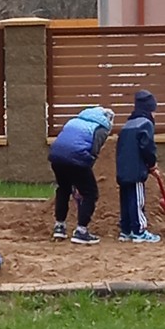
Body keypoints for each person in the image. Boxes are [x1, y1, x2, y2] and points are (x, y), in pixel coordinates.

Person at [48, 105, 114, 245]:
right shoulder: (101, 128)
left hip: (56, 156)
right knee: (90, 193)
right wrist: (83, 176)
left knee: (63, 189)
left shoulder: (73, 121)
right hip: (77, 157)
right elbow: (94, 151)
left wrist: (76, 181)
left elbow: (64, 140)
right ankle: (81, 231)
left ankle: (59, 227)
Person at [116, 90, 160, 243]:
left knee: (126, 200)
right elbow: (147, 146)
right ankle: (139, 231)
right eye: (154, 111)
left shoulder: (127, 125)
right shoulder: (145, 124)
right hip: (136, 170)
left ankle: (126, 231)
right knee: (137, 200)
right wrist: (151, 164)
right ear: (149, 110)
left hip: (123, 169)